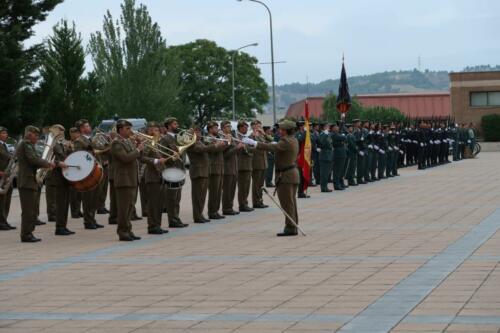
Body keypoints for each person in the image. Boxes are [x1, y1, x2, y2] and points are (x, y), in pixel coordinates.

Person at [243, 119, 300, 236]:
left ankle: (291, 227)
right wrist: (264, 136)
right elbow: (275, 143)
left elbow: (272, 147)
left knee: (287, 203)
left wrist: (254, 143)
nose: (279, 130)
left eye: (281, 129)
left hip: (286, 176)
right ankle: (292, 225)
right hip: (291, 174)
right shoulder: (292, 139)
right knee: (291, 203)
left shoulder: (286, 141)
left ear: (285, 131)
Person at [17, 126, 55, 242]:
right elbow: (33, 160)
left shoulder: (29, 145)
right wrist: (47, 164)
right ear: (29, 134)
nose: (37, 138)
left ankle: (29, 232)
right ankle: (26, 234)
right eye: (35, 135)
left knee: (32, 209)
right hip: (27, 182)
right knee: (28, 210)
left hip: (30, 181)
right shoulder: (26, 144)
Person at [110, 119, 144, 241]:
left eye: (130, 128)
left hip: (132, 178)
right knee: (124, 208)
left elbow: (139, 156)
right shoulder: (116, 143)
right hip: (124, 180)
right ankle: (122, 232)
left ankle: (128, 229)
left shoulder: (128, 141)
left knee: (130, 207)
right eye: (127, 129)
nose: (131, 131)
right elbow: (125, 158)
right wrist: (138, 149)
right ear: (120, 130)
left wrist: (139, 146)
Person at [73, 119, 104, 230]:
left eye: (88, 125)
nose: (89, 127)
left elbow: (101, 149)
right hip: (87, 173)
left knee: (95, 197)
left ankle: (92, 218)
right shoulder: (79, 141)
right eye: (86, 126)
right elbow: (79, 156)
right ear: (81, 129)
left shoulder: (91, 139)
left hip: (96, 171)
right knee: (88, 198)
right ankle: (88, 221)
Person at [45, 124, 75, 236]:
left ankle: (63, 226)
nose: (62, 132)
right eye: (60, 130)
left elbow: (66, 157)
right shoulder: (52, 144)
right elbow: (51, 159)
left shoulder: (62, 144)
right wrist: (58, 163)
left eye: (63, 130)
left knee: (65, 203)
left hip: (65, 177)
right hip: (57, 177)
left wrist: (70, 149)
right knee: (61, 203)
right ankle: (59, 227)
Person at [159, 117, 187, 228]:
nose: (177, 125)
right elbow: (162, 155)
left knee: (177, 197)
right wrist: (172, 158)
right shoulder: (165, 139)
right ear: (169, 126)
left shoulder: (178, 138)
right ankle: (172, 220)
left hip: (179, 169)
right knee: (171, 198)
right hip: (171, 170)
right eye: (175, 124)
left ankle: (176, 217)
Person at [142, 122, 168, 234]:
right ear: (149, 131)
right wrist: (156, 161)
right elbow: (142, 157)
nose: (157, 132)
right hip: (152, 176)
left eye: (157, 130)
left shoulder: (157, 143)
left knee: (159, 203)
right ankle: (152, 226)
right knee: (153, 203)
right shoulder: (147, 142)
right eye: (154, 130)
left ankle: (158, 225)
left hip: (159, 175)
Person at [207, 121, 229, 219]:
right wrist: (224, 143)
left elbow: (222, 149)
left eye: (217, 127)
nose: (217, 130)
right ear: (210, 129)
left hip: (220, 167)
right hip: (213, 168)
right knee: (213, 192)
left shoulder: (217, 138)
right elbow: (213, 150)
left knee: (218, 191)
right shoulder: (208, 138)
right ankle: (212, 212)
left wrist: (226, 142)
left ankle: (215, 211)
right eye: (215, 128)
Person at [221, 121, 244, 216]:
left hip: (234, 167)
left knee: (232, 189)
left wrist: (240, 148)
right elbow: (225, 154)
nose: (229, 128)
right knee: (227, 190)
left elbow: (235, 152)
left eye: (230, 126)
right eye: (227, 126)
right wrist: (237, 148)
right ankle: (226, 208)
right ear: (222, 128)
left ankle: (230, 207)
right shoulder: (223, 138)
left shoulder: (231, 137)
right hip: (227, 167)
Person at [250, 120, 268, 209]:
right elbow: (251, 146)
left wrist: (264, 133)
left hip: (263, 162)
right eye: (257, 126)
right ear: (253, 127)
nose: (259, 128)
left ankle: (260, 200)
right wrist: (254, 136)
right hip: (256, 163)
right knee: (256, 184)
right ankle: (256, 202)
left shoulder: (261, 136)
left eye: (260, 126)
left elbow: (270, 141)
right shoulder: (251, 136)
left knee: (260, 184)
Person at [0, 126, 16, 230]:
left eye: (6, 133)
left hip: (7, 175)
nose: (5, 135)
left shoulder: (5, 146)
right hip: (1, 175)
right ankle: (1, 222)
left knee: (7, 199)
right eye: (3, 133)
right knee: (1, 200)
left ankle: (4, 220)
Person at [236, 121, 254, 212]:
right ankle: (242, 205)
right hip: (241, 165)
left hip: (248, 164)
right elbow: (239, 149)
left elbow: (249, 149)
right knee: (242, 187)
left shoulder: (245, 137)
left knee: (246, 186)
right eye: (245, 127)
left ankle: (245, 203)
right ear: (240, 128)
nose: (246, 129)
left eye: (247, 127)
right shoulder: (237, 137)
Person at [68, 127, 83, 218]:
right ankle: (74, 211)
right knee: (73, 193)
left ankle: (78, 209)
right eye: (73, 132)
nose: (75, 134)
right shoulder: (68, 143)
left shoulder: (80, 142)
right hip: (72, 170)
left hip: (79, 169)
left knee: (79, 192)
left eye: (77, 132)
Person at [317, 123, 333, 192]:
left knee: (327, 172)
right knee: (323, 173)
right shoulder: (322, 134)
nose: (328, 127)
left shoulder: (327, 134)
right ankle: (323, 187)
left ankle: (325, 186)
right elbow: (322, 143)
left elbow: (330, 143)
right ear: (324, 127)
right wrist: (325, 135)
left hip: (328, 155)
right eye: (327, 126)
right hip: (324, 155)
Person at [331, 123, 347, 190]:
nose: (337, 128)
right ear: (333, 129)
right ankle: (336, 185)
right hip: (337, 154)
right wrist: (342, 139)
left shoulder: (338, 134)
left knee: (341, 170)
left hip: (342, 154)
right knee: (337, 171)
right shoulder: (333, 135)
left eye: (337, 127)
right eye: (336, 127)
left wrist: (342, 140)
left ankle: (340, 183)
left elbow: (344, 139)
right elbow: (344, 137)